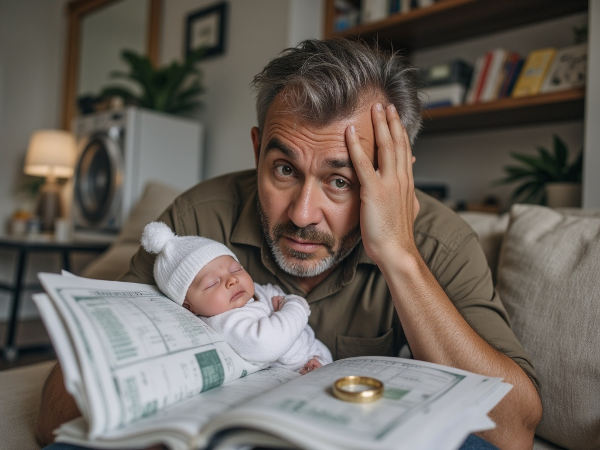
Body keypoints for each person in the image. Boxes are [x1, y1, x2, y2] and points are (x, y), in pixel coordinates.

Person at [37, 38, 542, 450]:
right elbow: (58, 416)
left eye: (340, 181)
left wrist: (399, 257)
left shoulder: (441, 240)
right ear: (258, 151)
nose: (301, 214)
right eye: (284, 169)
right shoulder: (196, 222)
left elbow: (514, 430)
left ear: (390, 177)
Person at [140, 221, 332, 374]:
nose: (232, 280)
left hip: (316, 356)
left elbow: (274, 292)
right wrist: (295, 306)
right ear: (189, 307)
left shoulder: (255, 291)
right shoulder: (225, 322)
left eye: (236, 269)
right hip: (289, 377)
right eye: (212, 283)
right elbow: (266, 343)